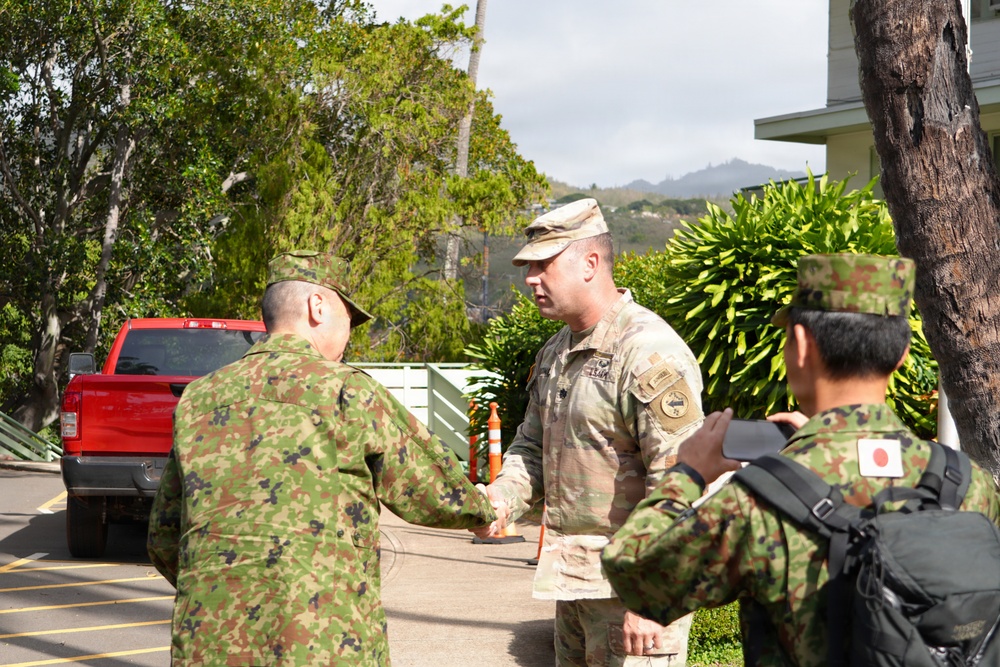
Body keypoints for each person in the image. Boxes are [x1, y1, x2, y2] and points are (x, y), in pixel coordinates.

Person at [601, 253, 1000, 666]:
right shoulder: (967, 483)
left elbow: (635, 574)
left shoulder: (757, 501)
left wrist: (689, 472)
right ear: (901, 354)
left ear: (803, 345)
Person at [148, 250, 496, 666]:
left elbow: (164, 537)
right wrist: (485, 512)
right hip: (325, 641)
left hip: (209, 643)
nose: (349, 334)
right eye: (349, 318)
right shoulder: (348, 390)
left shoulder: (199, 398)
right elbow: (435, 492)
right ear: (318, 307)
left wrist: (226, 593)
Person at [477, 198, 705, 666]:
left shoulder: (647, 352)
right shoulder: (557, 351)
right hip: (574, 580)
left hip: (634, 595)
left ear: (591, 263)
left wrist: (653, 597)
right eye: (528, 267)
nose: (530, 279)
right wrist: (501, 501)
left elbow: (682, 482)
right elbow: (532, 449)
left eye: (544, 265)